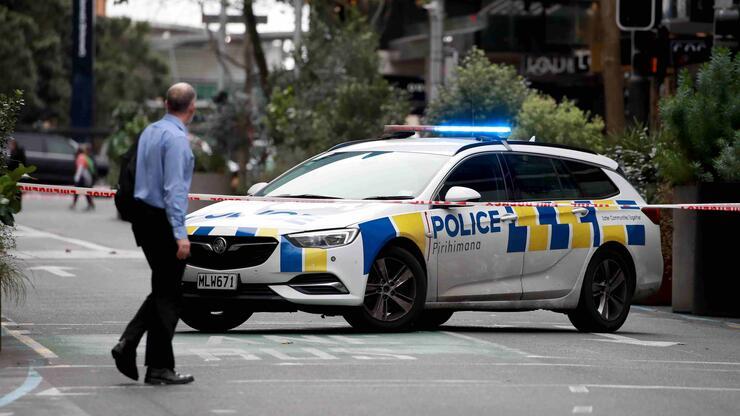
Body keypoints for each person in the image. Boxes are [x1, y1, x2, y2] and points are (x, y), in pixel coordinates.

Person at [111, 83, 196, 385]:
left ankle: (132, 347)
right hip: (162, 221)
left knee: (164, 289)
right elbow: (174, 191)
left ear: (166, 104)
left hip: (142, 218)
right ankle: (155, 365)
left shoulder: (150, 131)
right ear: (192, 107)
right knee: (169, 294)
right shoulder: (176, 139)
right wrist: (180, 234)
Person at [71, 144, 95, 210]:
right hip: (86, 177)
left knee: (77, 191)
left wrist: (76, 178)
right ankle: (91, 204)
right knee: (86, 191)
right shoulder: (85, 156)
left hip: (82, 177)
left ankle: (74, 204)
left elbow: (80, 168)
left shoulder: (81, 157)